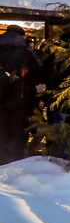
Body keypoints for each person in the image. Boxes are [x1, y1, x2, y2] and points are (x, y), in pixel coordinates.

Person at [0, 25, 42, 165]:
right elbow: (39, 70)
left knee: (2, 130)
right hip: (21, 100)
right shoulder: (25, 52)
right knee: (18, 131)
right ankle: (14, 162)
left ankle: (1, 160)